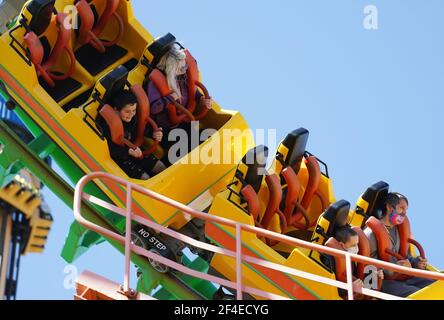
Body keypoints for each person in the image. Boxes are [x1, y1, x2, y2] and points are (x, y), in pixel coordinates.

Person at [146, 44, 212, 165]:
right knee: (183, 149)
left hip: (182, 123)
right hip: (165, 130)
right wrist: (169, 99)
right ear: (171, 68)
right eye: (181, 67)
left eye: (185, 65)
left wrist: (202, 99)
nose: (185, 69)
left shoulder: (181, 78)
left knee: (208, 135)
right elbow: (153, 109)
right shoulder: (155, 85)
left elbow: (193, 92)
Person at [364, 192, 434, 297]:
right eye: (401, 208)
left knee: (435, 284)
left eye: (406, 210)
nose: (404, 213)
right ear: (389, 207)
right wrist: (393, 268)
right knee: (418, 294)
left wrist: (415, 262)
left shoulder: (398, 230)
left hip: (404, 277)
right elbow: (367, 266)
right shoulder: (371, 234)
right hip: (386, 282)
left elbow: (404, 256)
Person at [96, 89, 166, 179]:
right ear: (116, 110)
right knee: (145, 178)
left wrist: (154, 133)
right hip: (121, 157)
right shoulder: (107, 127)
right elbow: (111, 150)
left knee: (161, 167)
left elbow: (142, 130)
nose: (131, 114)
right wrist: (128, 152)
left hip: (136, 148)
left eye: (134, 110)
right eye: (127, 111)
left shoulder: (133, 118)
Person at [332, 226, 384, 299]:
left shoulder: (351, 259)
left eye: (357, 244)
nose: (357, 248)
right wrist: (350, 288)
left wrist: (376, 276)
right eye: (353, 245)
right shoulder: (333, 262)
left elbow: (359, 277)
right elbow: (333, 288)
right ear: (341, 245)